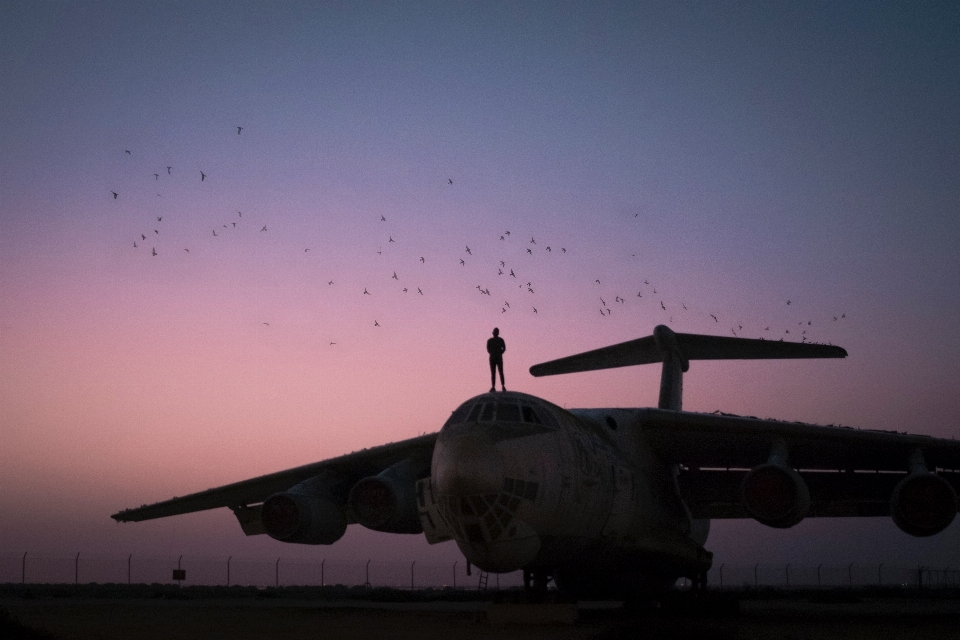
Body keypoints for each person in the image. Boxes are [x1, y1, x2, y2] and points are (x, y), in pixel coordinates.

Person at [487, 328, 506, 392]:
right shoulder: (490, 340)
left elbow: (504, 348)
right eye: (495, 331)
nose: (495, 333)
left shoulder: (501, 340)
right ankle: (493, 386)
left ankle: (503, 385)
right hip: (492, 357)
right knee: (493, 373)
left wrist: (500, 353)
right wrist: (493, 353)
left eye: (496, 332)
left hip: (498, 357)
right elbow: (488, 349)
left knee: (501, 371)